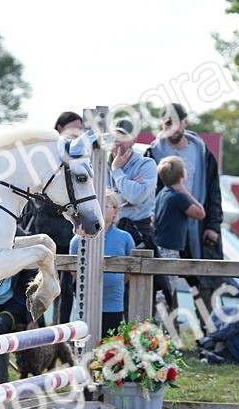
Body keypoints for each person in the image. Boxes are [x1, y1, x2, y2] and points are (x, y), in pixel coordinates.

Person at [145, 104, 223, 329]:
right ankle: (171, 335)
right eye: (166, 123)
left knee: (205, 283)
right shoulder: (153, 153)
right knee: (166, 285)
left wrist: (213, 226)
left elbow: (214, 191)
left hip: (199, 230)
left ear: (185, 122)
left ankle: (210, 335)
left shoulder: (202, 151)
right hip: (169, 230)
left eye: (175, 122)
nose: (171, 127)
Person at [23, 111, 83, 323]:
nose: (78, 133)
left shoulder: (77, 157)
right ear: (59, 129)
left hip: (66, 234)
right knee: (35, 284)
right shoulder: (47, 155)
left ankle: (62, 333)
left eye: (81, 129)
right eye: (74, 128)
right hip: (43, 228)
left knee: (65, 289)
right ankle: (36, 327)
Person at [110, 117, 173, 314]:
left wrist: (117, 173)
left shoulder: (146, 164)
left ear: (134, 139)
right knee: (111, 287)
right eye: (115, 136)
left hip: (139, 232)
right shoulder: (99, 162)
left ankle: (140, 337)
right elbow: (99, 198)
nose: (118, 142)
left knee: (141, 288)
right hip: (109, 232)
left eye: (123, 136)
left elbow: (135, 196)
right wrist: (126, 187)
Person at [70, 191, 135, 336]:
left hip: (114, 303)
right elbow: (74, 271)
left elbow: (129, 271)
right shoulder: (78, 239)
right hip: (85, 303)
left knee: (111, 346)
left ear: (116, 212)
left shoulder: (125, 238)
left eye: (105, 206)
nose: (100, 209)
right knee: (85, 343)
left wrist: (114, 281)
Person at [153, 156, 205, 326]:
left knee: (162, 291)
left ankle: (158, 326)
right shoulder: (178, 197)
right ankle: (157, 328)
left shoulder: (162, 193)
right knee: (167, 292)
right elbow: (200, 213)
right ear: (183, 174)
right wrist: (184, 190)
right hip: (170, 250)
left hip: (160, 246)